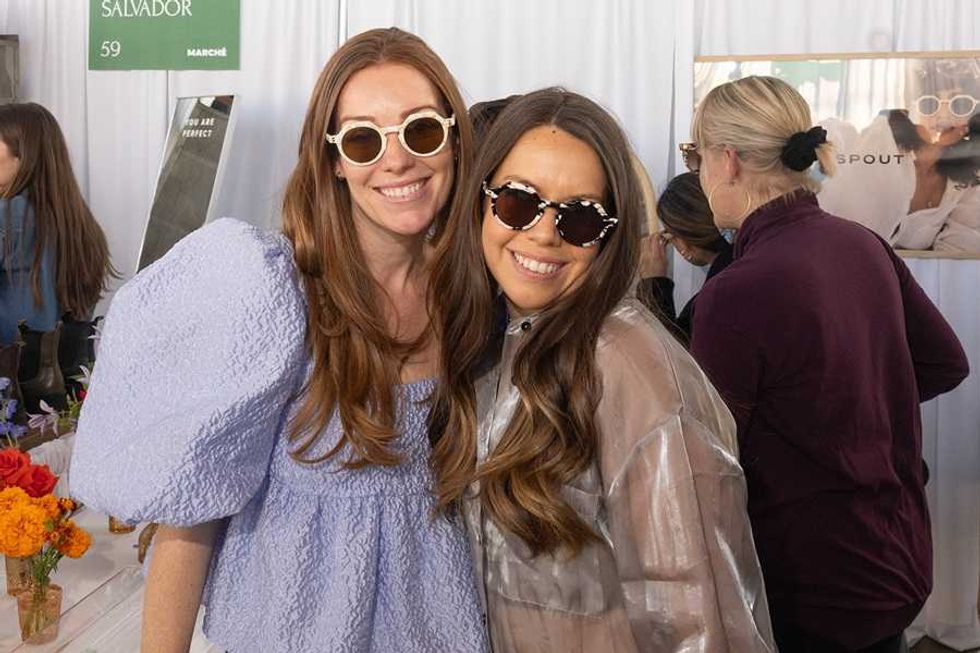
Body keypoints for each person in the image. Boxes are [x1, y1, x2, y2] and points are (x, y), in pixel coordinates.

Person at [70, 28, 488, 653]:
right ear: (334, 162)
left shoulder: (476, 292)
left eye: (421, 130)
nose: (396, 160)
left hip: (439, 627)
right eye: (364, 139)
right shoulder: (273, 293)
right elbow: (192, 514)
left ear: (455, 140)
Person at [427, 87, 775, 653]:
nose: (543, 232)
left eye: (580, 218)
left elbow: (698, 618)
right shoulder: (492, 339)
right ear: (480, 201)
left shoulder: (629, 366)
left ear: (609, 234)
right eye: (518, 201)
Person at [687, 75, 970, 653]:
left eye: (695, 156)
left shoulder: (737, 290)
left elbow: (708, 467)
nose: (697, 174)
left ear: (728, 160)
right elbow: (944, 363)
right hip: (897, 555)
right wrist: (857, 406)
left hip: (808, 583)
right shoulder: (861, 244)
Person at [0, 102, 113, 345]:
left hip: (11, 369)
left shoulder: (7, 215)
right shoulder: (81, 223)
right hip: (65, 373)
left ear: (23, 153)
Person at [638, 172, 733, 341]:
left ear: (685, 244)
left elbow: (669, 354)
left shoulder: (713, 300)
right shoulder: (749, 258)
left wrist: (654, 283)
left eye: (670, 234)